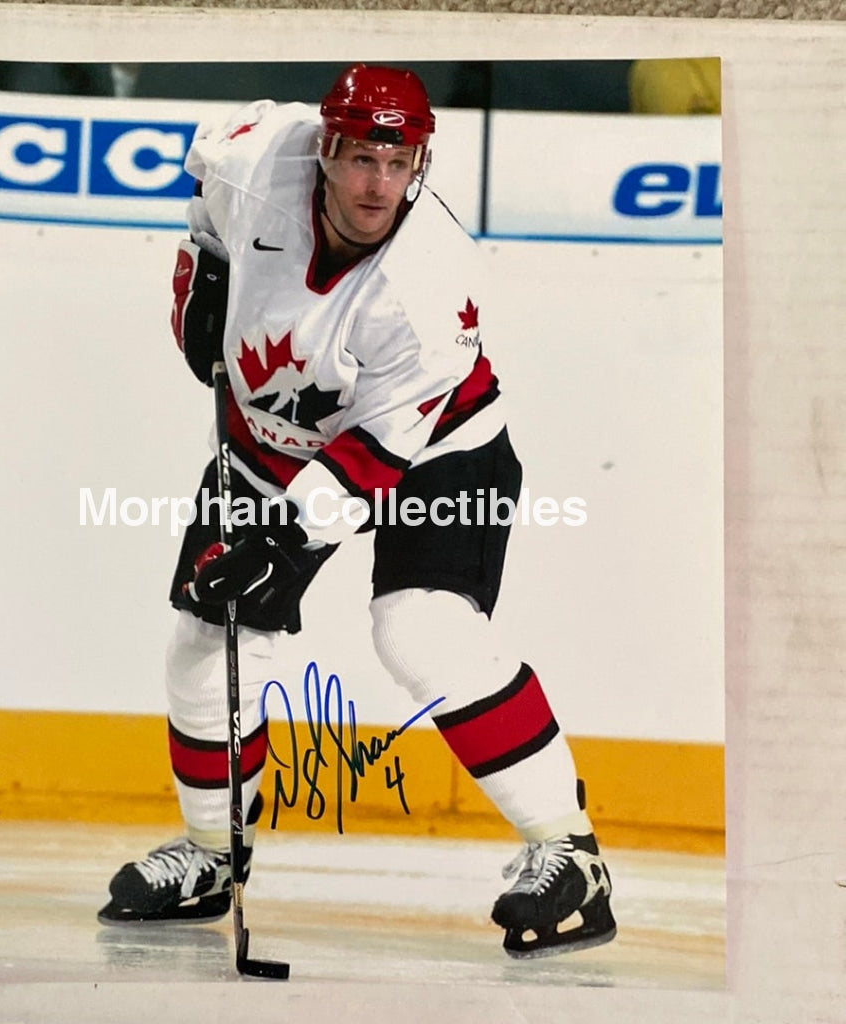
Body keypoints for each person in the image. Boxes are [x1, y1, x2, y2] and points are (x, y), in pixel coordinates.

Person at [98, 63, 616, 959]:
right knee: (202, 640)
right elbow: (204, 204)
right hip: (268, 438)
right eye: (363, 157)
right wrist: (204, 269)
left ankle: (570, 854)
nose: (380, 183)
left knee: (422, 630)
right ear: (327, 150)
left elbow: (373, 459)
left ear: (420, 162)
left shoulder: (431, 287)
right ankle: (214, 853)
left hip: (437, 454)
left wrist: (284, 550)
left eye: (399, 160)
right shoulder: (255, 155)